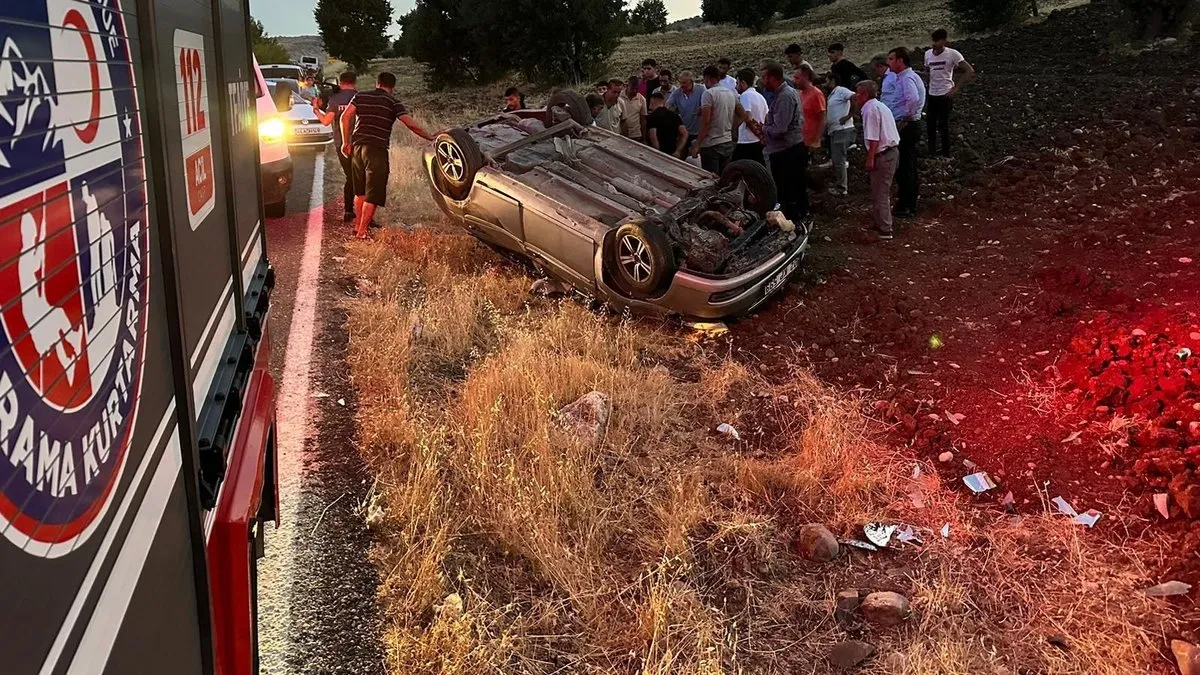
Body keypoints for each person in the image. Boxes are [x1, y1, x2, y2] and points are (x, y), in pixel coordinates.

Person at [339, 71, 434, 239]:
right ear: (393, 88)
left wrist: (346, 142)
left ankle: (358, 227)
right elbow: (410, 124)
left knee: (360, 191)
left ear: (377, 83)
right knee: (373, 193)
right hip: (376, 149)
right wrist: (430, 136)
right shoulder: (393, 102)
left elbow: (345, 118)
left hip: (357, 148)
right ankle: (362, 232)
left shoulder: (361, 96)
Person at [754, 61, 809, 223]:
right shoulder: (785, 94)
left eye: (764, 78)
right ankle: (799, 217)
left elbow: (780, 129)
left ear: (772, 78)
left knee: (788, 189)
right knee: (795, 187)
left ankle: (794, 222)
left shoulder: (784, 96)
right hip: (789, 149)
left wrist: (764, 129)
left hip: (786, 152)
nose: (762, 82)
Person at [881, 46, 926, 217]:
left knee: (906, 165)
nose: (889, 62)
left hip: (907, 126)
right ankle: (906, 201)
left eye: (891, 59)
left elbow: (913, 99)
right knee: (906, 164)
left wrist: (905, 118)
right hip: (906, 124)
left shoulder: (907, 78)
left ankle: (908, 205)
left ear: (900, 60)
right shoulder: (903, 77)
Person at [856, 80, 900, 239]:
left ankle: (885, 229)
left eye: (858, 92)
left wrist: (870, 159)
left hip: (883, 154)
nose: (855, 96)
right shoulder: (879, 106)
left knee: (881, 192)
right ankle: (879, 222)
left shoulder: (870, 110)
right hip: (890, 152)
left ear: (865, 94)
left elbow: (873, 138)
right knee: (878, 191)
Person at [314, 71, 359, 221]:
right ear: (354, 82)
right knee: (362, 177)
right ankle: (364, 213)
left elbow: (326, 121)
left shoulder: (335, 99)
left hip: (342, 145)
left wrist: (316, 109)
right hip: (360, 144)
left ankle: (348, 211)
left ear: (341, 83)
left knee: (350, 177)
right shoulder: (360, 97)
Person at [923, 28, 975, 157]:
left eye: (937, 41)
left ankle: (946, 153)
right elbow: (927, 71)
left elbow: (969, 70)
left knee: (943, 125)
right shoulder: (927, 54)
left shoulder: (953, 54)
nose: (934, 44)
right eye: (933, 40)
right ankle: (932, 153)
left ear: (944, 41)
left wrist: (956, 88)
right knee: (930, 124)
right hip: (932, 94)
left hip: (945, 94)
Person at [691, 65, 746, 174]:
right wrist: (731, 126)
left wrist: (697, 144)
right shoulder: (731, 93)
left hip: (711, 144)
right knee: (724, 177)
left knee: (711, 179)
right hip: (727, 142)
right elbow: (743, 115)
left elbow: (706, 122)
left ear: (707, 78)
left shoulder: (708, 94)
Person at [824, 77, 856, 195]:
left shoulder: (840, 90)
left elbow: (854, 97)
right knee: (837, 159)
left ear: (833, 81)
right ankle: (840, 183)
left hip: (842, 130)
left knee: (839, 160)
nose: (825, 83)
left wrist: (849, 115)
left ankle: (842, 188)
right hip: (835, 130)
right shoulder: (832, 95)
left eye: (827, 80)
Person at [734, 68, 768, 165]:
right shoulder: (760, 97)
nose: (736, 87)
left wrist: (758, 134)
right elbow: (767, 117)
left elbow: (747, 117)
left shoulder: (745, 96)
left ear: (743, 83)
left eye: (737, 83)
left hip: (747, 141)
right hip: (758, 142)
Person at [667, 70, 705, 149]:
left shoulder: (701, 90)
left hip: (699, 131)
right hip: (684, 131)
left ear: (691, 82)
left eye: (684, 83)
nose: (681, 85)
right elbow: (668, 104)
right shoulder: (677, 92)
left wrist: (702, 108)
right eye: (680, 82)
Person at [646, 92, 688, 158]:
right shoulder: (674, 116)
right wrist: (678, 150)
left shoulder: (652, 117)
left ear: (652, 102)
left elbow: (653, 136)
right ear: (664, 102)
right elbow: (684, 133)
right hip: (673, 152)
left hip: (659, 154)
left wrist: (658, 153)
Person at [795, 64, 826, 151]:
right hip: (800, 138)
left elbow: (822, 118)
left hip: (810, 141)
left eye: (797, 78)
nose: (795, 81)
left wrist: (817, 140)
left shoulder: (816, 94)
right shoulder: (800, 94)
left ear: (806, 77)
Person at [620, 75, 648, 141]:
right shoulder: (619, 97)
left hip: (636, 135)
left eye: (637, 89)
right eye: (632, 88)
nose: (635, 91)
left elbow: (643, 120)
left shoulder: (642, 99)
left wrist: (644, 138)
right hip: (621, 134)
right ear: (627, 86)